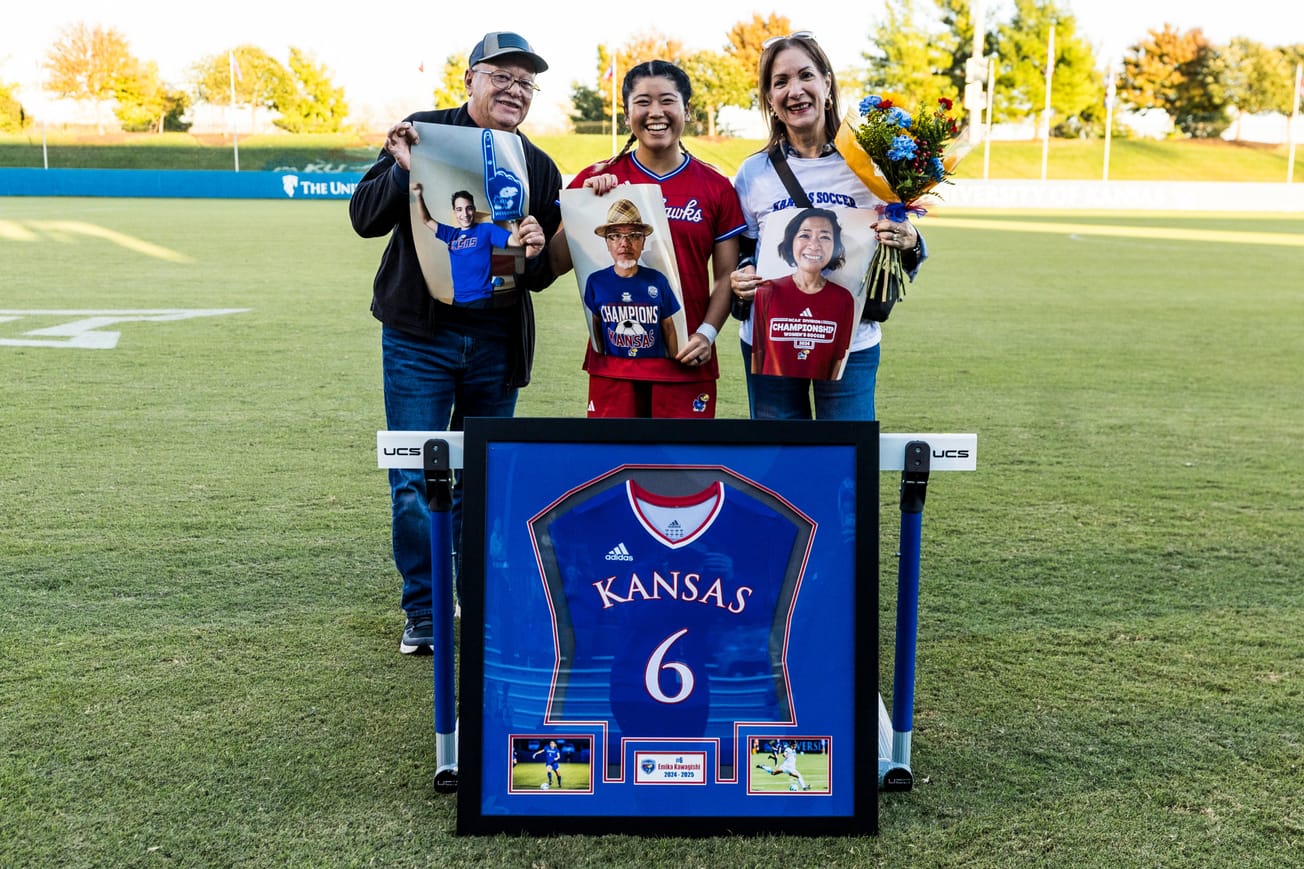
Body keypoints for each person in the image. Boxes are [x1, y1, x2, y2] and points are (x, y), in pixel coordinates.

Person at [349, 31, 562, 654]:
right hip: (422, 336)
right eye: (501, 76)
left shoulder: (538, 165)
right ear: (469, 79)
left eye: (525, 82)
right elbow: (364, 218)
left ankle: (476, 597)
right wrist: (400, 168)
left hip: (495, 340)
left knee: (481, 479)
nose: (514, 90)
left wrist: (533, 249)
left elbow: (539, 273)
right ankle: (424, 608)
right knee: (414, 477)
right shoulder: (422, 132)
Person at [730, 32, 927, 421]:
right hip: (772, 339)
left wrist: (909, 240)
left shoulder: (871, 163)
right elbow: (742, 254)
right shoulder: (753, 173)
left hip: (850, 342)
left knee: (846, 462)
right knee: (778, 462)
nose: (795, 90)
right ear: (770, 98)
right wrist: (741, 278)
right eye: (780, 82)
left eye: (805, 76)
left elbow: (904, 255)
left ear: (827, 82)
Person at [551, 60, 746, 418]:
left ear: (687, 110)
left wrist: (707, 334)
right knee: (614, 469)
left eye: (667, 101)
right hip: (615, 363)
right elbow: (555, 263)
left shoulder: (715, 186)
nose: (655, 112)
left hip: (686, 358)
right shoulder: (598, 178)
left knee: (683, 471)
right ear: (627, 115)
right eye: (643, 102)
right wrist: (588, 209)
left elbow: (724, 278)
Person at [750, 207, 856, 380]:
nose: (814, 245)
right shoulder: (767, 291)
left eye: (824, 237)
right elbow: (757, 351)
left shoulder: (843, 299)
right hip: (777, 392)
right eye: (805, 235)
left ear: (835, 246)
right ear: (791, 242)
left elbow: (838, 360)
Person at [583, 198, 682, 361]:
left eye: (634, 236)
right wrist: (602, 357)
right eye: (615, 236)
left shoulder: (658, 280)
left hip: (652, 369)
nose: (625, 243)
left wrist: (672, 366)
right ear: (607, 243)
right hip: (615, 370)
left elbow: (668, 326)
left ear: (643, 242)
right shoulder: (595, 281)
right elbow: (596, 322)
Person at [411, 184, 542, 303]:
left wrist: (512, 221)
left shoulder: (486, 229)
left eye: (469, 208)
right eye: (459, 209)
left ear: (474, 209)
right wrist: (418, 196)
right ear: (454, 212)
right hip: (458, 298)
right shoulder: (451, 234)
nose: (465, 214)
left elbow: (517, 242)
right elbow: (427, 220)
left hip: (480, 298)